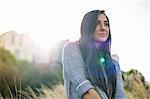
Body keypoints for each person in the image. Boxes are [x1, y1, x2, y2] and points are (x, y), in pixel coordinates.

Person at [62, 10, 127, 99]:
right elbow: (86, 90)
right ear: (88, 27)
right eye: (97, 24)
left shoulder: (114, 63)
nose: (103, 28)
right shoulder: (72, 49)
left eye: (106, 24)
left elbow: (120, 96)